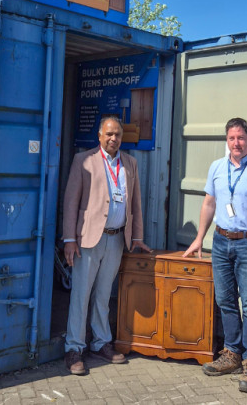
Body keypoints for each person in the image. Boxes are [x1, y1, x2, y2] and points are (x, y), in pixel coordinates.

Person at [183, 117, 247, 393]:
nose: (236, 143)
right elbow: (209, 203)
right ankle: (232, 354)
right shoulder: (217, 167)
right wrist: (199, 238)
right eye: (231, 138)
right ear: (226, 141)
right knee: (226, 300)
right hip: (221, 242)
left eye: (240, 137)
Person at [61, 116, 151, 375]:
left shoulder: (130, 164)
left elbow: (135, 204)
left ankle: (101, 343)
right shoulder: (84, 161)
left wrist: (136, 238)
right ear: (99, 136)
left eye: (118, 135)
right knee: (81, 294)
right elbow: (70, 202)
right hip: (88, 239)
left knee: (102, 295)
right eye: (109, 134)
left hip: (116, 239)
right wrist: (69, 239)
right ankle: (74, 348)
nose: (113, 139)